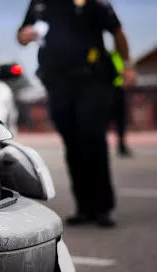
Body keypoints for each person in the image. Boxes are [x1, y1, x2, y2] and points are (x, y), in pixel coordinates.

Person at [17, 0, 137, 227]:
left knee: (92, 138)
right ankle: (83, 207)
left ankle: (103, 207)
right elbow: (22, 35)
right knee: (72, 143)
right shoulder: (41, 3)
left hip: (93, 80)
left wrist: (128, 65)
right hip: (57, 82)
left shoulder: (94, 4)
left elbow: (117, 31)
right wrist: (25, 36)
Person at [110, 50, 132, 157]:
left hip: (119, 90)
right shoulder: (110, 55)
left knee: (121, 120)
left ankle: (121, 145)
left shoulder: (121, 57)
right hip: (108, 90)